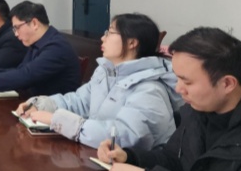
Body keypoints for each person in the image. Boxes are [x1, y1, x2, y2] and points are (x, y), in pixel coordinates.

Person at [98, 27, 241, 171]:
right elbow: (173, 159)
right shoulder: (198, 111)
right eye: (177, 77)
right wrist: (130, 156)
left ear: (227, 83)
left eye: (187, 81)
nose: (178, 89)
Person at [19, 13, 181, 149]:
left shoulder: (150, 89)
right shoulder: (106, 72)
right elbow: (80, 101)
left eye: (110, 32)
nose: (103, 38)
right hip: (98, 156)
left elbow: (124, 137)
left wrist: (59, 121)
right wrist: (40, 104)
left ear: (132, 42)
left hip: (133, 170)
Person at [0, 0, 79, 95]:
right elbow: (20, 70)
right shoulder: (37, 43)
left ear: (34, 23)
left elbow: (25, 75)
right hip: (34, 102)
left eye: (17, 28)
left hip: (51, 111)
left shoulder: (56, 47)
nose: (16, 34)